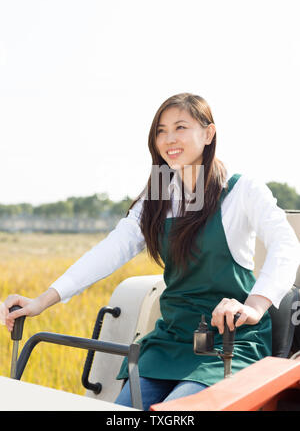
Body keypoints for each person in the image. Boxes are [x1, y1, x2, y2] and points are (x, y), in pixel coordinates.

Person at [1, 93, 299, 411]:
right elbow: (111, 250)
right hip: (170, 339)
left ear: (208, 133)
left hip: (230, 341)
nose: (169, 139)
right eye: (160, 130)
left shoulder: (241, 190)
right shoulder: (158, 196)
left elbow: (285, 244)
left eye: (180, 127)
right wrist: (42, 301)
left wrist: (255, 305)